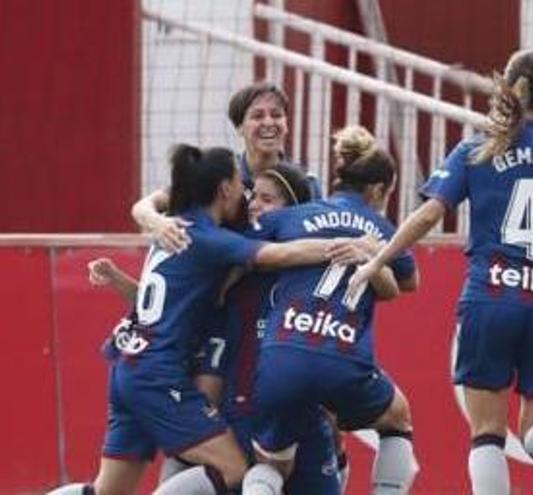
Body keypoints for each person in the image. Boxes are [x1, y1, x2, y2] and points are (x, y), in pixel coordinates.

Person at [346, 50, 533, 492]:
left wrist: (377, 258)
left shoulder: (476, 148)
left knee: (486, 433)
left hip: (493, 294)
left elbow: (428, 214)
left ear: (506, 89)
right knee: (532, 430)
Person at [48, 145, 340, 495]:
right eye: (239, 181)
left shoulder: (177, 221)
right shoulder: (208, 237)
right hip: (158, 376)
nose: (247, 193)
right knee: (234, 469)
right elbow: (276, 254)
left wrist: (138, 239)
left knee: (109, 492)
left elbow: (160, 300)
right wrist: (344, 244)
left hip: (128, 368)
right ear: (224, 189)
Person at [241, 126, 419, 495]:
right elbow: (410, 281)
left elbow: (242, 252)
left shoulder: (287, 219)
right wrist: (373, 255)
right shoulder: (381, 230)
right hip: (341, 357)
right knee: (397, 416)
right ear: (377, 191)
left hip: (281, 354)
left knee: (273, 462)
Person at [132, 82, 320, 253]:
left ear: (286, 124)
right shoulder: (221, 171)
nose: (269, 123)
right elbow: (142, 207)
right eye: (257, 116)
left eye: (277, 115)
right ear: (239, 127)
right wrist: (158, 223)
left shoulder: (306, 182)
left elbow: (317, 239)